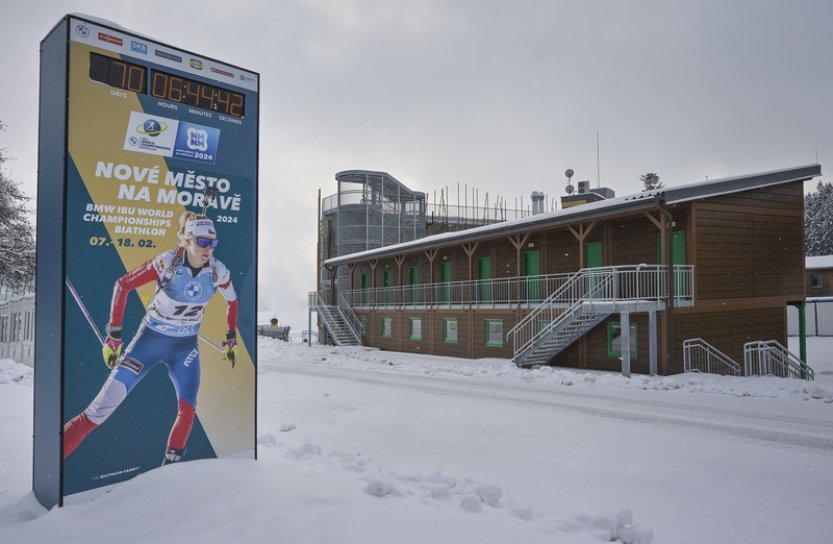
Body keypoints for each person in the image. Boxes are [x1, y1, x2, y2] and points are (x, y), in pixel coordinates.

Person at [63, 211, 238, 465]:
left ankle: (168, 477)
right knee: (97, 412)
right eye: (202, 242)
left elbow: (232, 300)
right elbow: (123, 284)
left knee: (188, 411)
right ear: (187, 241)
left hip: (184, 348)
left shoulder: (217, 271)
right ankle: (51, 463)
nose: (208, 248)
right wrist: (114, 336)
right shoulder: (167, 263)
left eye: (212, 242)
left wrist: (231, 338)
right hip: (149, 343)